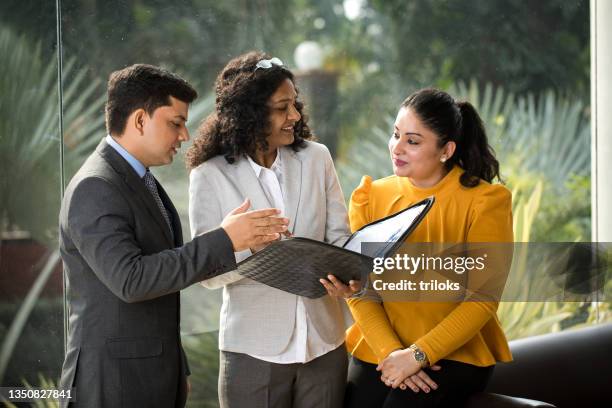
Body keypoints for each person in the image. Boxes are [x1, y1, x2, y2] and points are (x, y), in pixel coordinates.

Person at [58, 64, 289, 408]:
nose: (185, 136)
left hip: (149, 376)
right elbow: (132, 280)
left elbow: (162, 281)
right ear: (139, 120)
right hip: (112, 386)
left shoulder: (139, 180)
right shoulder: (96, 186)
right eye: (175, 123)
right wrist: (224, 239)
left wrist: (172, 367)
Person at [186, 51, 358, 408]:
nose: (294, 115)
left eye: (295, 104)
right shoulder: (209, 176)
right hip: (253, 351)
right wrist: (243, 242)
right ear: (250, 113)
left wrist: (351, 273)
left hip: (325, 343)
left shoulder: (317, 158)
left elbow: (339, 237)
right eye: (282, 107)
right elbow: (207, 274)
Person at [343, 88, 513, 407]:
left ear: (446, 150)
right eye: (396, 135)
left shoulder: (486, 202)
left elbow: (482, 299)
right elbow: (360, 289)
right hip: (381, 346)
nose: (397, 148)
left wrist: (419, 355)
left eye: (413, 141)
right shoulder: (369, 198)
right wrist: (392, 353)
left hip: (455, 353)